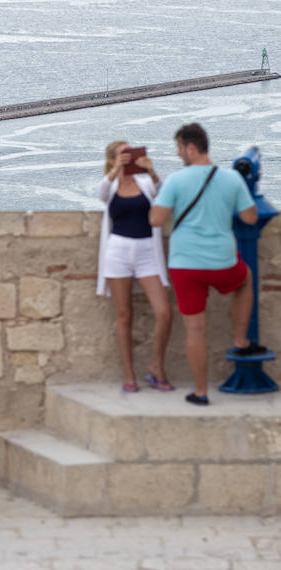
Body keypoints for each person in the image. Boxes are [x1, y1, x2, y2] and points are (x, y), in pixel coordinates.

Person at [150, 123, 258, 406]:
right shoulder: (232, 179)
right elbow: (249, 218)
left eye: (178, 149)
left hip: (185, 265)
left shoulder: (175, 181)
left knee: (195, 329)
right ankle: (240, 340)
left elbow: (156, 220)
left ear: (191, 148)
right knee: (245, 280)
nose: (178, 155)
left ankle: (201, 392)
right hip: (222, 260)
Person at [96, 141, 174, 393]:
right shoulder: (111, 184)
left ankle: (156, 366)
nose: (128, 157)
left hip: (146, 252)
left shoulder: (144, 182)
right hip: (118, 252)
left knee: (164, 312)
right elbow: (101, 193)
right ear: (111, 160)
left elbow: (160, 192)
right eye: (122, 154)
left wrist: (150, 170)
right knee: (124, 315)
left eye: (131, 153)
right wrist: (115, 170)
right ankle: (130, 375)